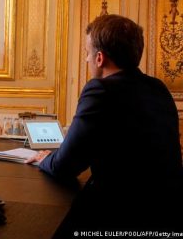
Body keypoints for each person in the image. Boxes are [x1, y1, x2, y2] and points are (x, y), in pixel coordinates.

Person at [26, 14, 183, 237]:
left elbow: (64, 166)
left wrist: (45, 158)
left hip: (120, 218)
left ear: (99, 58)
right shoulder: (158, 88)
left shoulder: (100, 90)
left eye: (87, 53)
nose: (86, 60)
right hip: (168, 215)